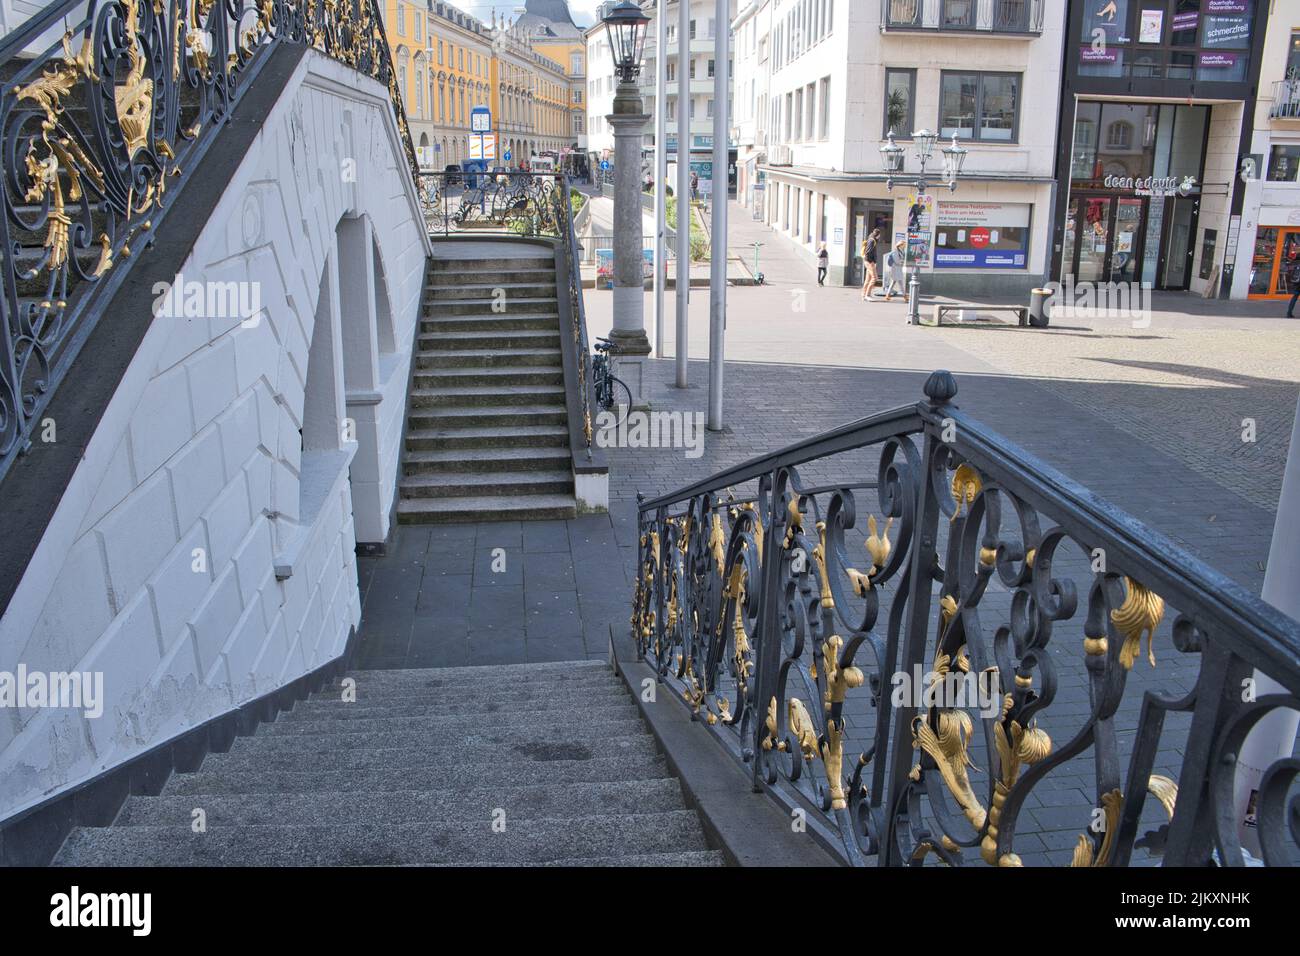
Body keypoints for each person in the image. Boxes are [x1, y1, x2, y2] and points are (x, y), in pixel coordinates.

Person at [861, 229, 881, 301]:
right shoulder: (872, 240)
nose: (879, 237)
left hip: (868, 261)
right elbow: (868, 252)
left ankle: (863, 294)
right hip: (869, 262)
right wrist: (872, 262)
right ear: (877, 235)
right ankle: (867, 294)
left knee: (868, 279)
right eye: (879, 235)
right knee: (874, 278)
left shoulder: (871, 239)